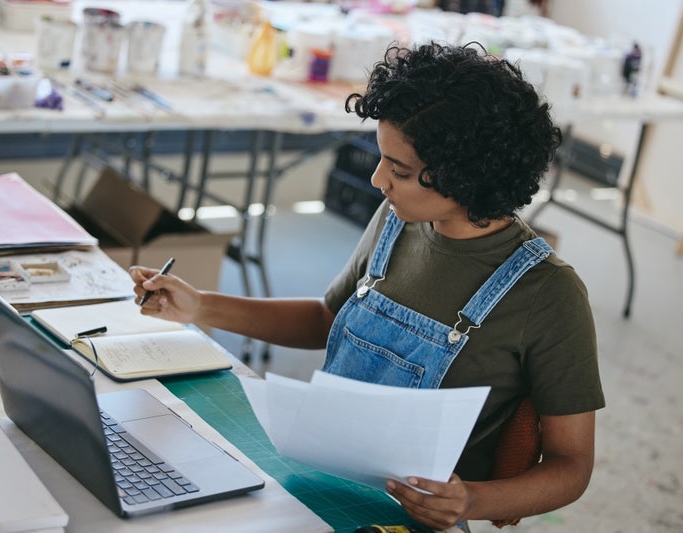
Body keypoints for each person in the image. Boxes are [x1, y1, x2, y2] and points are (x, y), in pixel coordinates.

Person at [130, 41, 605, 531]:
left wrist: (472, 501)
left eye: (398, 170)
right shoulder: (397, 220)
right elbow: (324, 319)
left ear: (466, 177)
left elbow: (572, 466)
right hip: (315, 479)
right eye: (382, 160)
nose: (379, 179)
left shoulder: (548, 295)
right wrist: (201, 306)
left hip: (409, 519)